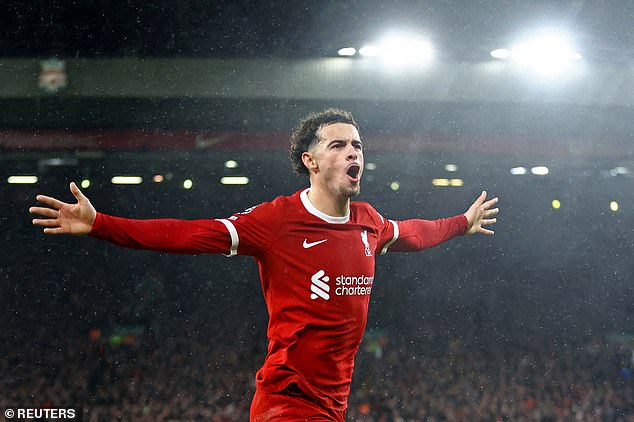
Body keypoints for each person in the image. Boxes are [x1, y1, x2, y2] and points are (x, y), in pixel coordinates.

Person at [30, 108, 498, 421]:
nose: (354, 152)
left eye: (357, 145)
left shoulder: (367, 222)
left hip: (334, 405)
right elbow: (193, 234)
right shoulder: (277, 221)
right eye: (339, 145)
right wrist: (102, 224)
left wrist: (461, 221)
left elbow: (414, 233)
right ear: (310, 160)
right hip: (288, 403)